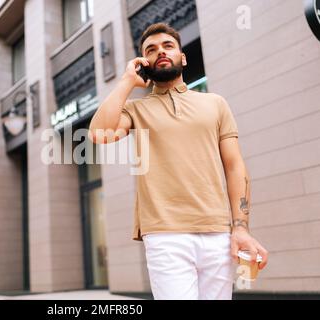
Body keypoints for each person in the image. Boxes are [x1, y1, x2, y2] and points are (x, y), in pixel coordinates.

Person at [89, 22, 269, 300]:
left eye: (167, 46)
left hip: (218, 232)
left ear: (182, 58)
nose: (160, 51)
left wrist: (241, 227)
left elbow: (235, 167)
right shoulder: (135, 109)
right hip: (164, 234)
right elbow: (99, 135)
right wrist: (126, 82)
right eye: (151, 50)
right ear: (143, 64)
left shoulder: (215, 103)